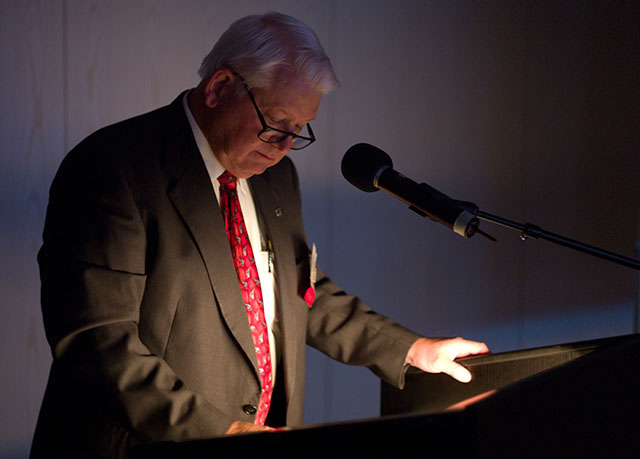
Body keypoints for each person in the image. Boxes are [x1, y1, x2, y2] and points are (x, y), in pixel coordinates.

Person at [31, 12, 489, 458]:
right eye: (276, 123)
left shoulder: (275, 177)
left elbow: (302, 294)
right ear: (219, 87)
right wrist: (221, 432)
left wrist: (411, 350)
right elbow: (98, 344)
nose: (286, 146)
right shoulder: (113, 168)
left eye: (299, 130)